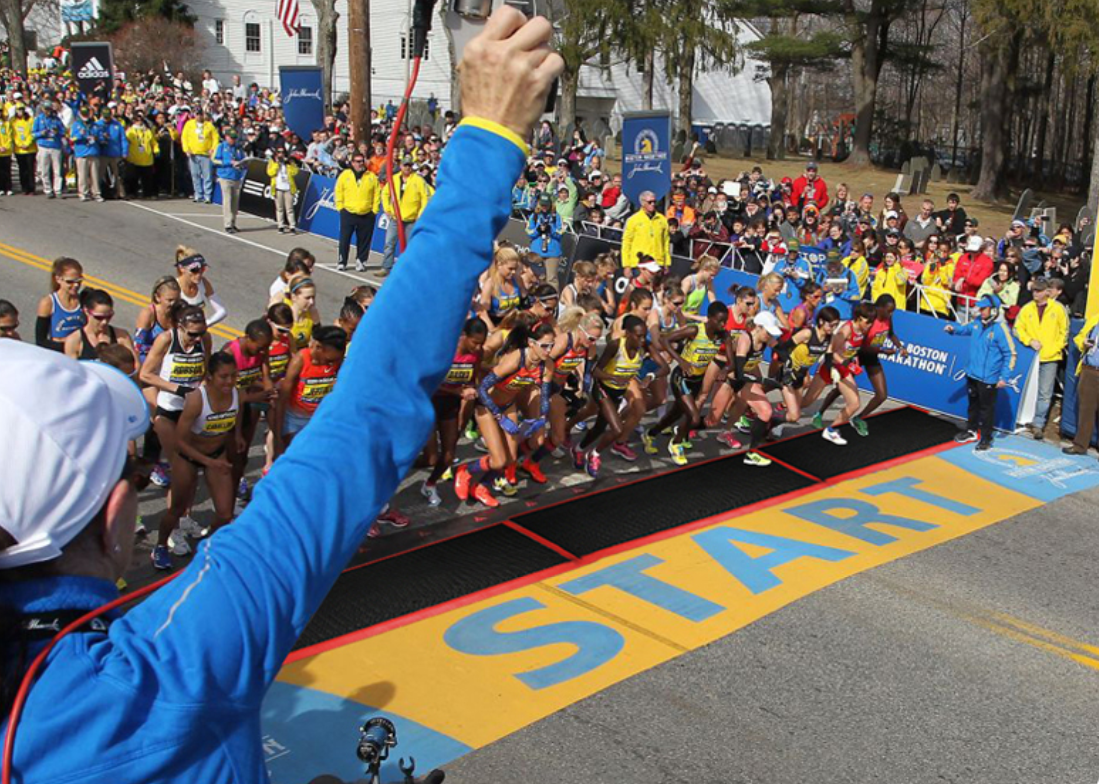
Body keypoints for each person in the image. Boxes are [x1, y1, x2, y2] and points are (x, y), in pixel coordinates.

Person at [0, 12, 561, 782]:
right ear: (111, 516)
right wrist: (490, 140)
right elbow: (374, 403)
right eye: (126, 477)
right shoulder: (159, 682)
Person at [422, 318, 489, 506]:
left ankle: (430, 483)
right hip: (429, 403)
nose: (477, 347)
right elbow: (429, 383)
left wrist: (471, 391)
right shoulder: (446, 351)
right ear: (464, 336)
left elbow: (471, 380)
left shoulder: (478, 354)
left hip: (450, 405)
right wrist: (458, 391)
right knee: (429, 456)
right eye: (475, 342)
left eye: (481, 343)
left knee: (448, 456)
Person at [945, 295, 1017, 450]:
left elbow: (1011, 354)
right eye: (980, 308)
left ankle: (986, 438)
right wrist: (953, 330)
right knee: (973, 405)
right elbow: (965, 329)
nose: (980, 311)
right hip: (972, 374)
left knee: (986, 410)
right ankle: (971, 430)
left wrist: (1004, 377)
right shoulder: (977, 323)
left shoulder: (1001, 329)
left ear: (994, 310)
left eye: (984, 308)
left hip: (988, 378)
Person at [1013, 277, 1068, 440]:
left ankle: (1038, 424)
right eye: (1034, 290)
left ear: (1047, 292)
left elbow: (1064, 333)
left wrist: (1053, 349)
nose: (1035, 293)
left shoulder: (1058, 309)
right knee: (1026, 387)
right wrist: (1029, 341)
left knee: (1045, 392)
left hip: (1050, 357)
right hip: (1030, 354)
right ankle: (1022, 419)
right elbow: (1017, 328)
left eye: (1038, 290)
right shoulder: (1027, 308)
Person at [379, 155, 428, 277]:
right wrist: (387, 208)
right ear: (400, 166)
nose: (407, 168)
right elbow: (385, 194)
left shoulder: (418, 180)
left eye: (409, 165)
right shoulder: (394, 179)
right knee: (389, 243)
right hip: (396, 219)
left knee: (409, 246)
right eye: (405, 165)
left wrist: (420, 214)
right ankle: (386, 267)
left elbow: (425, 198)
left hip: (410, 219)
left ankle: (406, 269)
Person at [62, 288, 136, 361]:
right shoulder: (74, 340)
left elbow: (136, 366)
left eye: (109, 316)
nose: (104, 321)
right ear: (86, 311)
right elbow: (72, 370)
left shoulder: (121, 336)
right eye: (99, 317)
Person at [335, 152, 380, 271]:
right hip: (348, 212)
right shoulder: (345, 175)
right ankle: (342, 261)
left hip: (366, 213)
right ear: (352, 163)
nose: (361, 164)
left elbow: (377, 194)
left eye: (362, 161)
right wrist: (340, 207)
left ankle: (361, 260)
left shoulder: (371, 176)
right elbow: (338, 190)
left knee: (364, 239)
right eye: (358, 161)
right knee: (345, 238)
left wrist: (374, 210)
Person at [1062, 311, 1099, 457]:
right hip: (1089, 369)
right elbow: (1078, 338)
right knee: (1085, 409)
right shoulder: (1095, 319)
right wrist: (1083, 342)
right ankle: (1080, 445)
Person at [35, 257, 85, 351]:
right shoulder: (48, 303)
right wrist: (70, 347)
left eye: (79, 281)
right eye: (70, 282)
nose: (76, 285)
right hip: (59, 354)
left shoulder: (84, 300)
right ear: (58, 279)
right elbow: (40, 341)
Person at [174, 248, 228, 327]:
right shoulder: (173, 287)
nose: (199, 274)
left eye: (202, 269)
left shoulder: (203, 283)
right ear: (182, 269)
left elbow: (222, 311)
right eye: (194, 270)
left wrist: (205, 324)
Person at [621, 190, 671, 272]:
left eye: (654, 201)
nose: (653, 204)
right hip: (639, 263)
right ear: (643, 203)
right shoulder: (633, 220)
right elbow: (626, 243)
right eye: (650, 202)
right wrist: (626, 265)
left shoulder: (662, 220)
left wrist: (667, 263)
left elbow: (666, 243)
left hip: (658, 263)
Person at [181, 107, 218, 203]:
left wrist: (213, 149)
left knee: (207, 175)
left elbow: (215, 138)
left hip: (206, 154)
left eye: (200, 114)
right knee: (195, 175)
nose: (199, 116)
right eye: (197, 114)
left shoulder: (209, 125)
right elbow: (184, 138)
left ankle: (207, 196)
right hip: (193, 154)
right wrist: (186, 149)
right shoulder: (189, 124)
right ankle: (198, 194)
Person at [213, 129, 247, 233]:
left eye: (234, 138)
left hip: (236, 177)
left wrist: (242, 164)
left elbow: (243, 160)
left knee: (235, 203)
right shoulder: (221, 147)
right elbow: (215, 160)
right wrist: (229, 162)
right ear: (226, 137)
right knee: (227, 200)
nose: (233, 140)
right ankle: (227, 224)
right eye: (231, 138)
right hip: (225, 176)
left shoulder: (238, 148)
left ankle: (233, 223)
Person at [526, 193, 564, 286]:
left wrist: (551, 229)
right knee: (536, 278)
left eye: (546, 205)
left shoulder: (556, 216)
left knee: (551, 279)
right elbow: (529, 232)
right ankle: (536, 299)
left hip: (552, 252)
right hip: (537, 251)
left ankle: (553, 299)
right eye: (542, 204)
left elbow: (561, 233)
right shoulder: (534, 216)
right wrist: (538, 230)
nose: (544, 207)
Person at [32, 101, 65, 198]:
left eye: (49, 109)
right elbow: (33, 133)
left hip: (55, 146)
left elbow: (63, 131)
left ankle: (58, 190)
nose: (48, 111)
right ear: (42, 109)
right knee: (44, 170)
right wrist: (41, 133)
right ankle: (48, 190)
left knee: (57, 170)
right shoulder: (38, 119)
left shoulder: (57, 119)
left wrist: (58, 131)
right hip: (43, 146)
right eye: (46, 109)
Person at [124, 114, 159, 199]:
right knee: (133, 178)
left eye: (140, 120)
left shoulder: (147, 131)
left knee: (147, 178)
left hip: (147, 158)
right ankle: (132, 193)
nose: (139, 122)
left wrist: (156, 149)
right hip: (134, 158)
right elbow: (125, 142)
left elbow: (153, 142)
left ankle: (147, 194)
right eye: (137, 120)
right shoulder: (130, 131)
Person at [266, 146, 300, 234]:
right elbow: (270, 173)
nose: (281, 154)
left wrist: (288, 163)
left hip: (288, 187)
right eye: (279, 152)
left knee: (290, 208)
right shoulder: (272, 161)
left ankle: (292, 226)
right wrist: (277, 164)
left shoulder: (289, 161)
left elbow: (295, 172)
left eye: (282, 152)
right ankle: (280, 226)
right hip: (278, 188)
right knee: (279, 208)